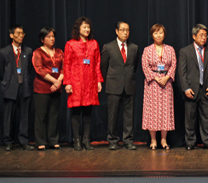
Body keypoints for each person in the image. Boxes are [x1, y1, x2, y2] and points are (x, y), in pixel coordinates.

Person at [63, 17, 103, 151]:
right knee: (76, 111)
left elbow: (97, 63)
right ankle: (77, 140)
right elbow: (67, 65)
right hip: (76, 81)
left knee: (87, 112)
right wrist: (67, 83)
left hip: (90, 81)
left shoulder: (94, 44)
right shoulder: (71, 44)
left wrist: (98, 81)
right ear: (78, 29)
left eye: (88, 27)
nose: (87, 29)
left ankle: (86, 140)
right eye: (84, 27)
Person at [178, 24, 208, 150]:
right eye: (201, 35)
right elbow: (182, 72)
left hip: (206, 89)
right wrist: (185, 88)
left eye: (206, 35)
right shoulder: (185, 51)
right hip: (191, 90)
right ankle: (190, 143)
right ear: (194, 36)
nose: (204, 38)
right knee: (190, 118)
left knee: (207, 118)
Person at [101, 21, 139, 150]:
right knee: (113, 115)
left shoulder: (134, 48)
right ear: (116, 31)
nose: (125, 32)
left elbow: (134, 66)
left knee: (129, 115)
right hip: (113, 85)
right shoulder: (108, 47)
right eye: (123, 30)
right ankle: (112, 140)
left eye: (127, 30)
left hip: (129, 85)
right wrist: (110, 80)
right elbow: (103, 67)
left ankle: (128, 140)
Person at [142, 24, 176, 150]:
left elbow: (173, 65)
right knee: (152, 112)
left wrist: (167, 77)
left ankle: (163, 140)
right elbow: (145, 66)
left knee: (165, 111)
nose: (158, 35)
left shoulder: (170, 49)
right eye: (156, 33)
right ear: (152, 35)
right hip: (152, 84)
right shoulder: (147, 50)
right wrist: (156, 78)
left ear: (164, 34)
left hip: (166, 83)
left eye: (161, 33)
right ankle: (153, 140)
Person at [0, 25, 34, 151]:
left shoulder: (28, 51)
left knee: (24, 116)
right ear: (11, 35)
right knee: (9, 116)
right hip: (10, 87)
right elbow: (1, 71)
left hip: (24, 87)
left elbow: (29, 69)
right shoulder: (4, 52)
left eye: (22, 33)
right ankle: (8, 141)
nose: (21, 36)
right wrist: (7, 82)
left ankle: (24, 141)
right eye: (18, 33)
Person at [32, 27, 64, 150]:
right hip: (42, 88)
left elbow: (63, 68)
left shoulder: (59, 52)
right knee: (41, 116)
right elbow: (39, 69)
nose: (52, 39)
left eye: (53, 36)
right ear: (42, 39)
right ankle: (40, 142)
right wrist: (54, 81)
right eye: (49, 37)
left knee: (54, 115)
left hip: (56, 88)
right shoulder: (38, 52)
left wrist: (59, 81)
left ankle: (53, 140)